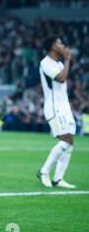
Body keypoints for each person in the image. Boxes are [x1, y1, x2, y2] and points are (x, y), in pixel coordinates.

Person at [37, 36, 76, 189]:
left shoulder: (59, 63)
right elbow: (60, 78)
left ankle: (58, 178)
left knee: (70, 141)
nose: (63, 45)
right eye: (59, 43)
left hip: (64, 107)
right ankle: (44, 171)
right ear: (53, 46)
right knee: (65, 139)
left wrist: (65, 61)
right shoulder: (45, 62)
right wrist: (67, 60)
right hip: (53, 107)